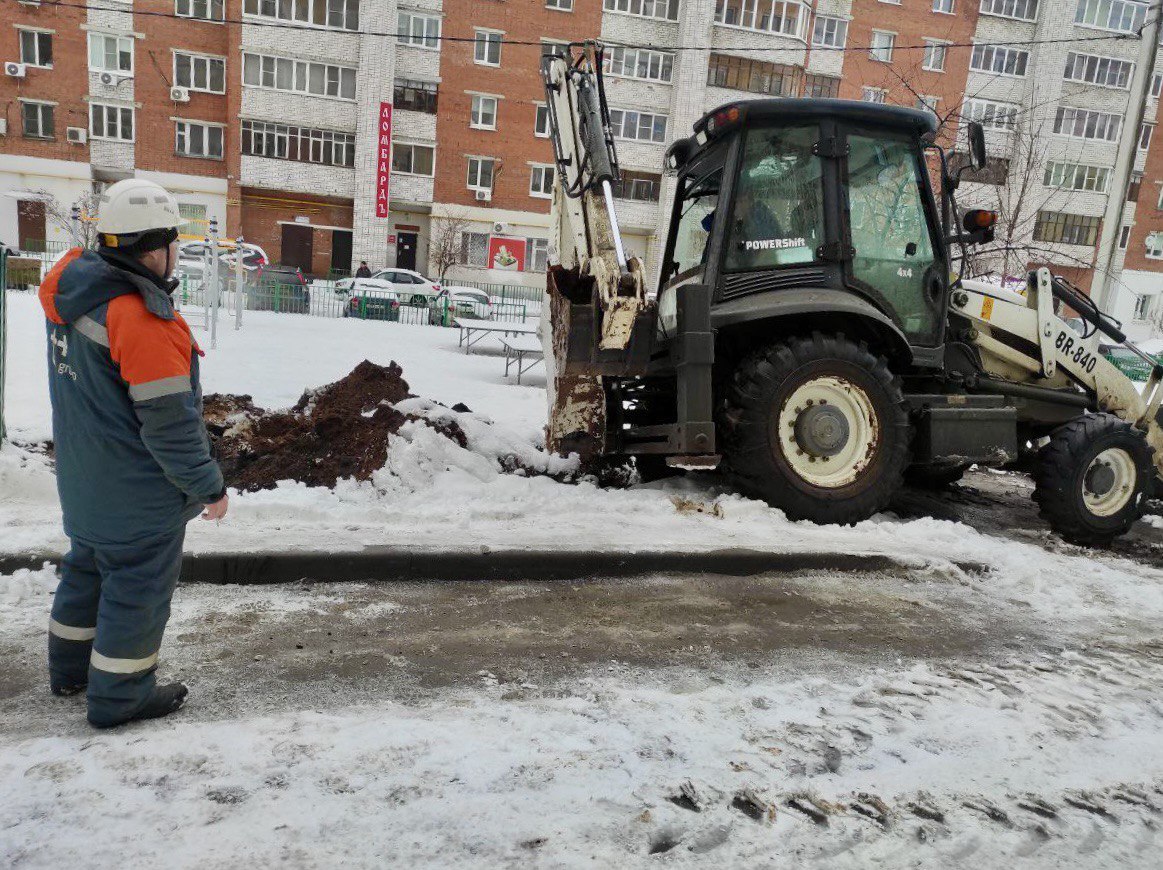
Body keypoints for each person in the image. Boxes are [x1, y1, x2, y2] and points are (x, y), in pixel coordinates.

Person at [39, 178, 228, 729]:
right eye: (174, 243)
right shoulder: (141, 318)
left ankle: (70, 670)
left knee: (87, 571)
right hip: (136, 496)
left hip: (83, 481)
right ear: (154, 246)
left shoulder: (76, 295)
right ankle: (120, 696)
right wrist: (207, 487)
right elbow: (170, 424)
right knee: (136, 591)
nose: (177, 257)